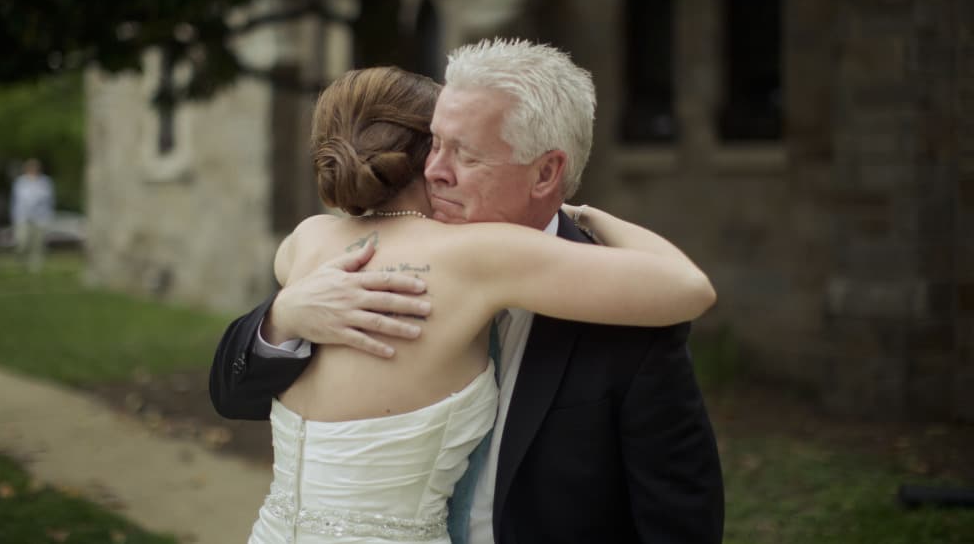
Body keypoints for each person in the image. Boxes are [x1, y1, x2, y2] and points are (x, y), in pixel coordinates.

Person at [211, 41, 725, 543]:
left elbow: (679, 512)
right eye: (434, 142)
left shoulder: (312, 242)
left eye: (466, 154)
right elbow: (233, 394)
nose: (435, 169)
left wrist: (584, 219)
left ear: (547, 172)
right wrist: (282, 318)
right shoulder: (440, 262)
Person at [10, 158, 54, 272]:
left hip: (40, 218)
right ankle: (21, 260)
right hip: (23, 217)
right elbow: (16, 201)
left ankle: (35, 267)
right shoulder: (20, 182)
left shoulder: (45, 182)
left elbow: (49, 200)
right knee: (22, 241)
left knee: (38, 244)